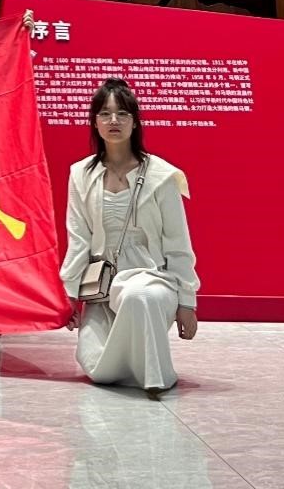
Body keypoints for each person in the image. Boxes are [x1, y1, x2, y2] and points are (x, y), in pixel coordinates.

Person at [60, 78, 198, 397]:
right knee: (98, 367)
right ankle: (134, 366)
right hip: (103, 286)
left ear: (135, 122)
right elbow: (78, 239)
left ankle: (155, 378)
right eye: (105, 114)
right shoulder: (80, 174)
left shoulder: (161, 175)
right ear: (95, 122)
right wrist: (68, 293)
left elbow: (178, 244)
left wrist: (187, 302)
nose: (114, 121)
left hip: (153, 278)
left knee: (139, 296)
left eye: (122, 114)